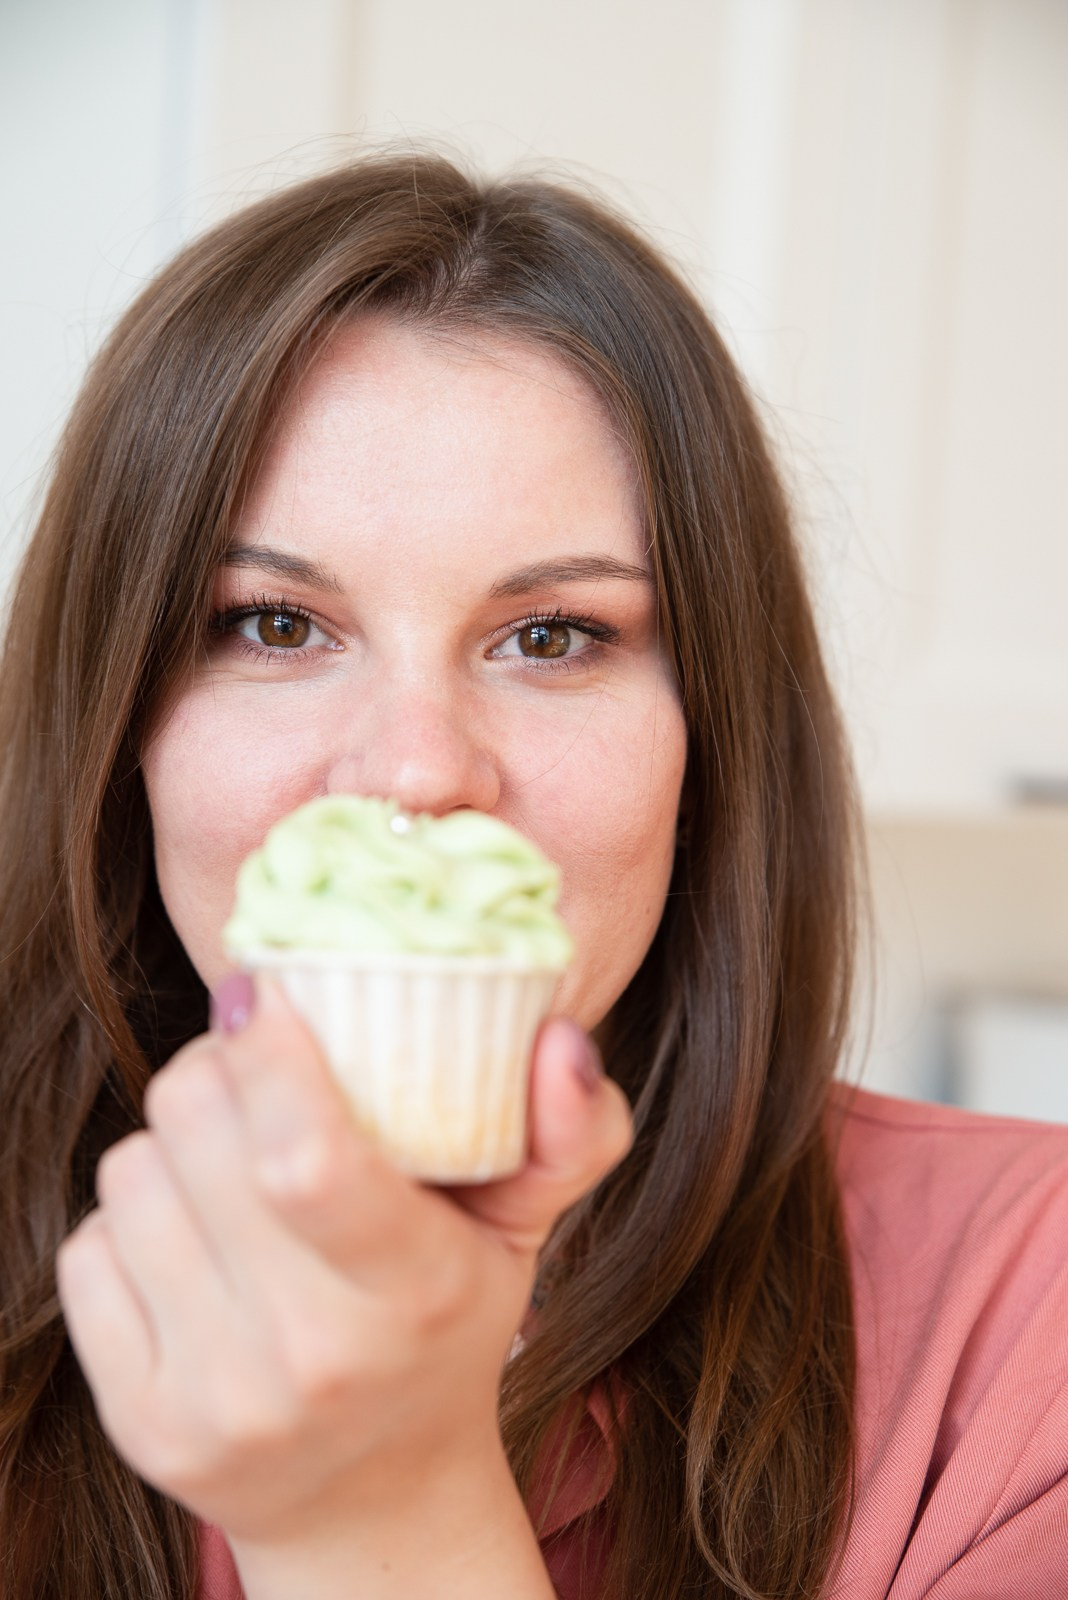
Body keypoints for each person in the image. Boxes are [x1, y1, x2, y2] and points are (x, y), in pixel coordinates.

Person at [0, 152, 1065, 1600]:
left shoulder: (1033, 1319)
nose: (414, 771)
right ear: (118, 725)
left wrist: (384, 1513)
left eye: (552, 637)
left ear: (712, 741)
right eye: (275, 626)